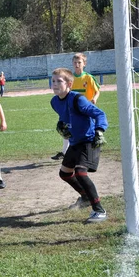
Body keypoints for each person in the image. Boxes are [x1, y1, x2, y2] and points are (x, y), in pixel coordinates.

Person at [50, 68, 108, 222]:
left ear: (69, 84)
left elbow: (99, 114)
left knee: (80, 173)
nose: (55, 84)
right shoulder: (54, 101)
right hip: (75, 141)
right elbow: (65, 116)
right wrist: (61, 124)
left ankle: (99, 210)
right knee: (65, 173)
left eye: (59, 81)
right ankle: (85, 197)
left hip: (89, 140)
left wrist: (100, 131)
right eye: (53, 81)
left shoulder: (78, 99)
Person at [51, 53, 101, 161]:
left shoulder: (88, 77)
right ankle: (65, 152)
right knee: (67, 128)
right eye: (75, 62)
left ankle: (90, 151)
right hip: (72, 109)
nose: (77, 64)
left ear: (84, 64)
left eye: (79, 62)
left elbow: (97, 91)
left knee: (85, 131)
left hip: (85, 109)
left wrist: (94, 99)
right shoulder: (70, 78)